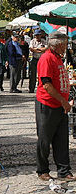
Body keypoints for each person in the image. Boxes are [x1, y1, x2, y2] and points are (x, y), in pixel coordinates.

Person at [35, 31, 75, 181]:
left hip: (60, 105)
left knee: (61, 139)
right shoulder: (46, 58)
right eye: (64, 45)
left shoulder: (57, 58)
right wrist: (63, 101)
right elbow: (46, 84)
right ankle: (42, 170)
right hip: (47, 104)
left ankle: (64, 171)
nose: (65, 48)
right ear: (56, 45)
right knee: (44, 139)